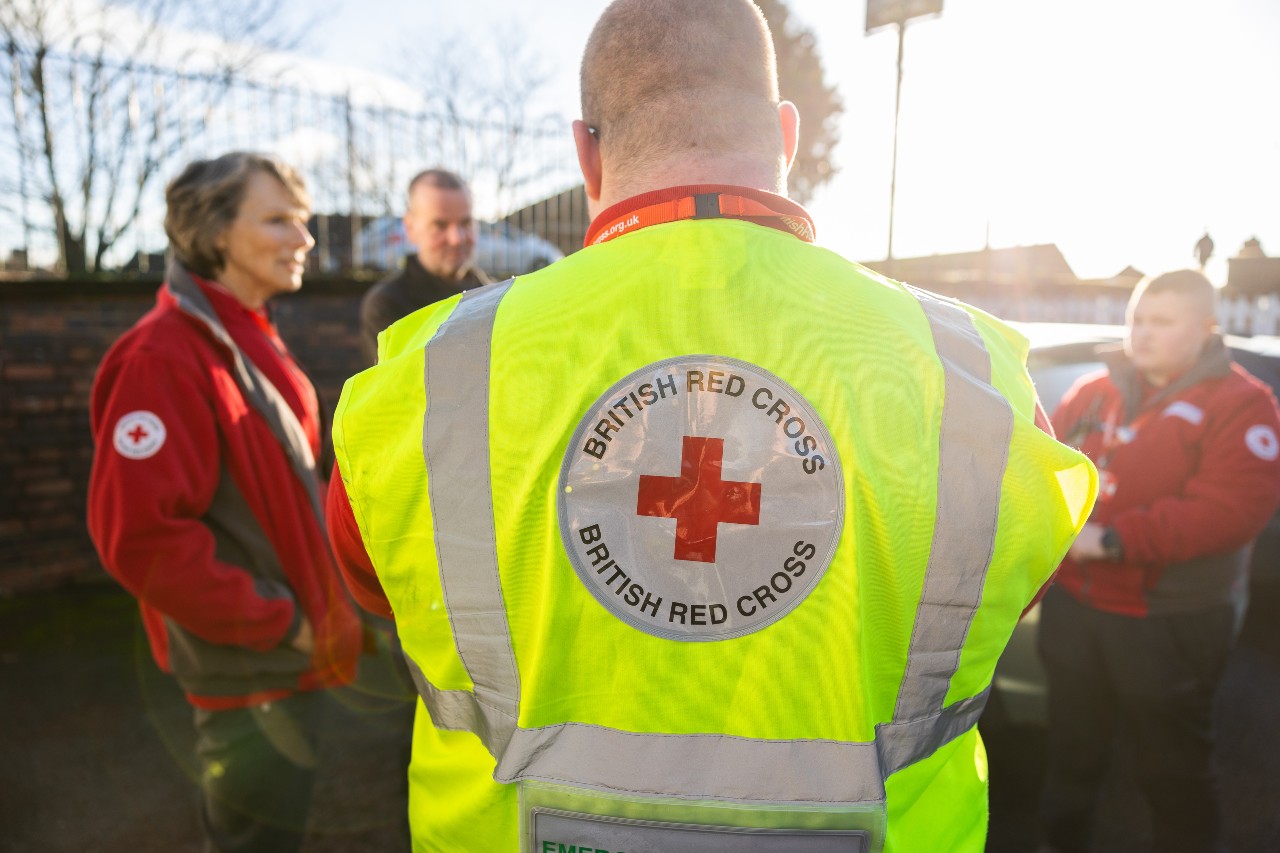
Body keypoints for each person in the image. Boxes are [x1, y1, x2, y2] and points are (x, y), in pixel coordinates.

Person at [325, 1, 1096, 849]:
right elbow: (1005, 589)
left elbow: (384, 584)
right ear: (787, 135)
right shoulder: (970, 372)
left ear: (585, 150)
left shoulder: (431, 375)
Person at [87, 152, 363, 853]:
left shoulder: (247, 332)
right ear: (213, 233)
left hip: (294, 655)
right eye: (278, 220)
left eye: (301, 220)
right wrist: (282, 620)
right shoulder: (161, 355)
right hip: (254, 669)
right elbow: (141, 540)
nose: (304, 238)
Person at [1038, 269, 1280, 853]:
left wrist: (1113, 540)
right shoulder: (1091, 392)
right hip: (1076, 609)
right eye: (1137, 319)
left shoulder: (1245, 404)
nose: (1142, 333)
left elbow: (1229, 511)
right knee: (1071, 754)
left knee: (1174, 770)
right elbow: (1042, 474)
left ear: (1205, 328)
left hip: (1169, 622)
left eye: (1162, 322)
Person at [358, 168, 490, 364]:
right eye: (440, 225)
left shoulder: (495, 294)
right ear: (410, 228)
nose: (456, 239)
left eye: (465, 223)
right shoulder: (387, 305)